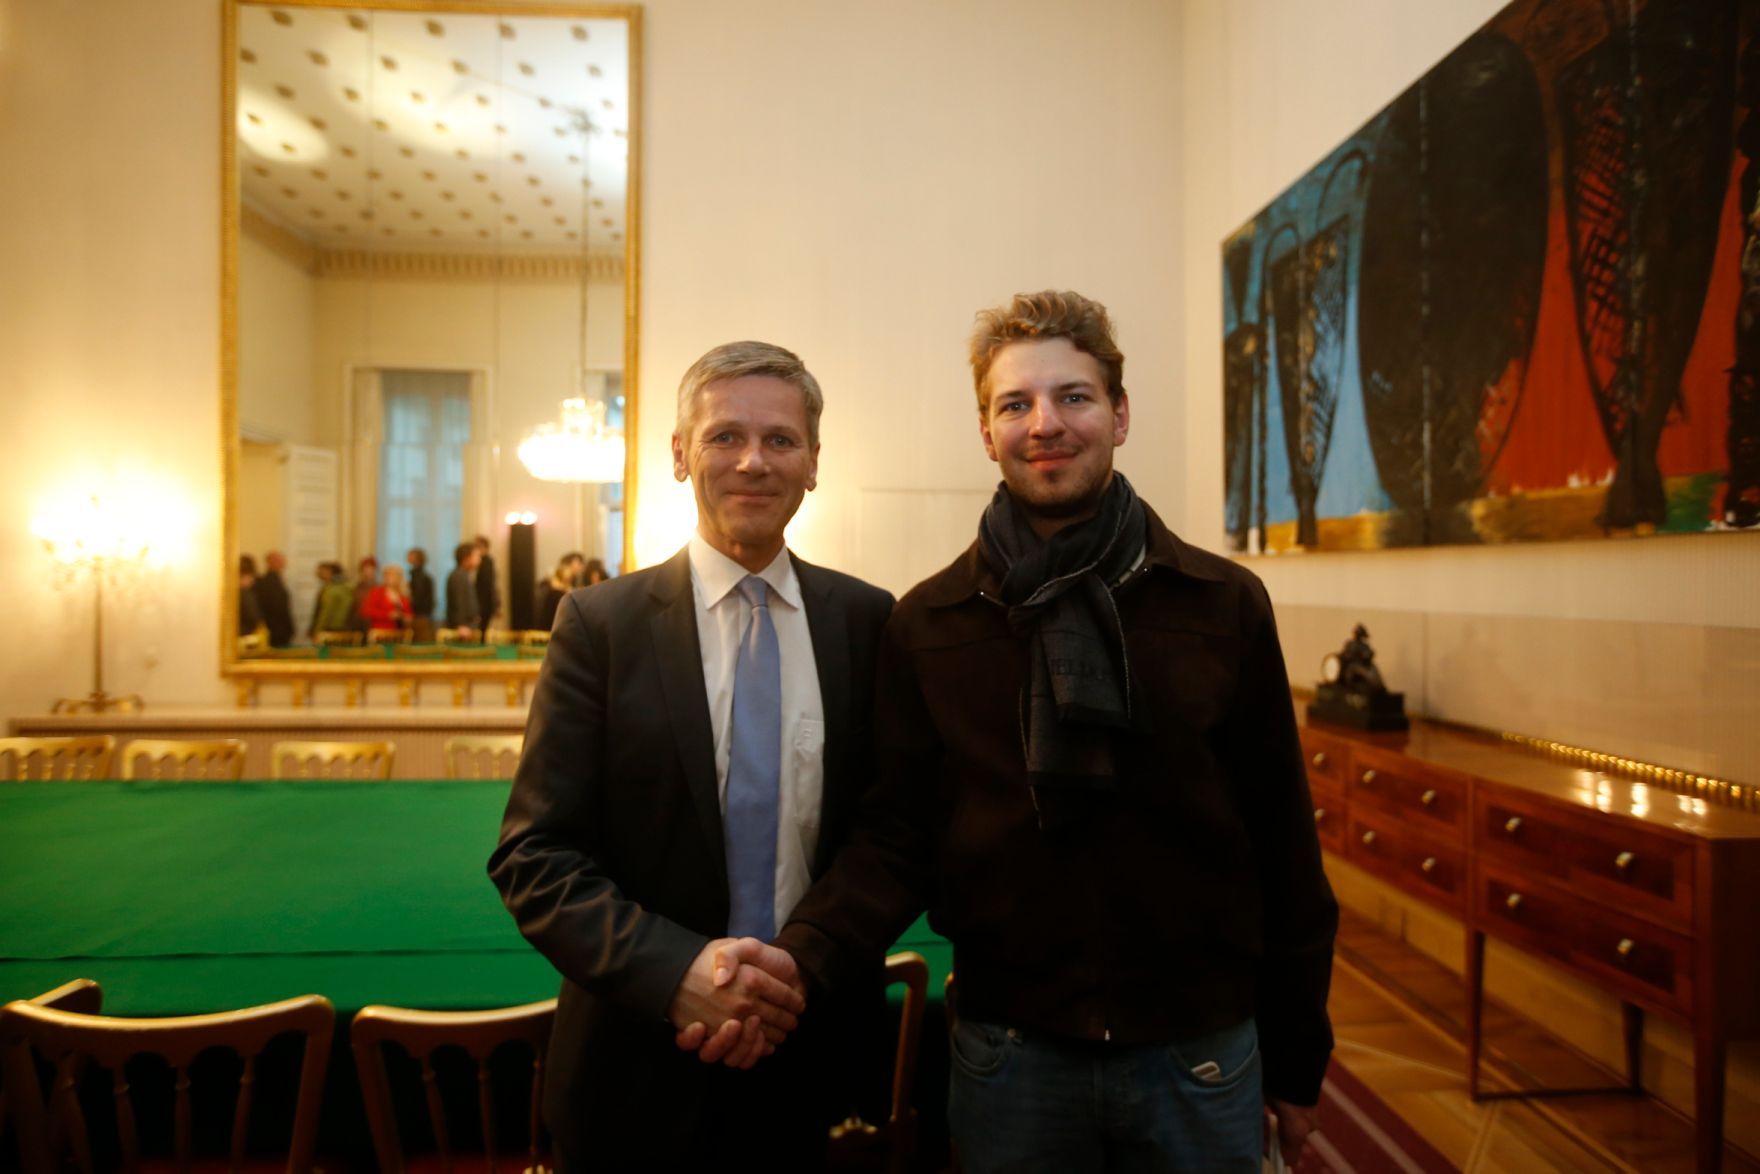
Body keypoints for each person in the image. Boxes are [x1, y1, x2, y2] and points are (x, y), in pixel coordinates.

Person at [709, 292, 1338, 1173]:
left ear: (1119, 414)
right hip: (1011, 1054)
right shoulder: (930, 621)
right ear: (986, 430)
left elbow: (1283, 846)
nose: (1045, 424)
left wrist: (1299, 1058)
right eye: (1016, 404)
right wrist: (796, 964)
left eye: (1073, 397)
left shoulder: (1222, 605)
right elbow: (897, 836)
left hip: (1198, 1051)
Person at [488, 340, 895, 1170]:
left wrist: (793, 973)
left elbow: (888, 836)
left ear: (814, 462)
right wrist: (679, 974)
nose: (753, 460)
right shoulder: (601, 626)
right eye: (723, 437)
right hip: (632, 1072)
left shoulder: (868, 622)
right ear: (680, 455)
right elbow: (534, 854)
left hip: (814, 1065)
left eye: (780, 440)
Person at [533, 551, 585, 632]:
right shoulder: (553, 586)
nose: (581, 567)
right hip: (550, 626)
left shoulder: (575, 582)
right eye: (578, 563)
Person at [253, 550, 295, 647]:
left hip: (280, 630)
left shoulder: (277, 579)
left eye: (282, 560)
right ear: (269, 562)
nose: (282, 562)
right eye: (277, 560)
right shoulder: (265, 581)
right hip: (274, 631)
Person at [361, 564, 413, 634]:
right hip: (380, 632)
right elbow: (366, 611)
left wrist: (406, 617)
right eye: (388, 576)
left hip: (399, 633)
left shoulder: (403, 595)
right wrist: (388, 615)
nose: (390, 579)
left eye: (394, 576)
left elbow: (408, 613)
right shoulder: (377, 592)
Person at [445, 543, 481, 635]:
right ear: (466, 558)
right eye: (476, 556)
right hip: (462, 628)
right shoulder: (458, 576)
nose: (479, 559)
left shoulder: (464, 575)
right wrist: (460, 624)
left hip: (468, 626)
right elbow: (458, 602)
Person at [311, 562, 355, 636]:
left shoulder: (332, 590)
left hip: (331, 628)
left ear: (330, 572)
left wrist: (317, 630)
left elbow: (326, 612)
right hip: (345, 627)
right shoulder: (347, 587)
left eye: (322, 571)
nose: (319, 574)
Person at [473, 534, 501, 638]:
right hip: (481, 603)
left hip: (484, 604)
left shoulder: (487, 563)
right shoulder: (481, 563)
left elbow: (488, 586)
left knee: (482, 632)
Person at [406, 547, 436, 644]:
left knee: (421, 644)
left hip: (420, 616)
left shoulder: (419, 577)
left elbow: (417, 598)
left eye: (411, 556)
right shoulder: (420, 575)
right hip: (422, 615)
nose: (408, 558)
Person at [350, 555, 378, 634]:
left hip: (371, 623)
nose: (368, 572)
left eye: (371, 569)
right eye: (365, 569)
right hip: (357, 622)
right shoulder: (356, 587)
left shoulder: (378, 587)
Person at [237, 555, 263, 638]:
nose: (252, 580)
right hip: (246, 636)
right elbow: (254, 618)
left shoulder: (227, 593)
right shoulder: (245, 594)